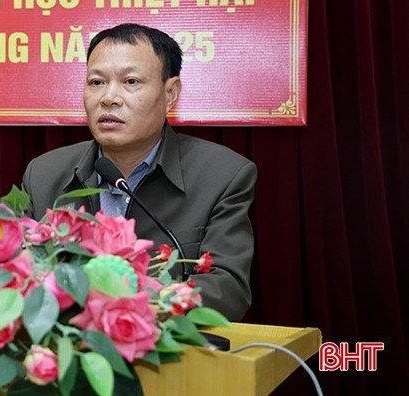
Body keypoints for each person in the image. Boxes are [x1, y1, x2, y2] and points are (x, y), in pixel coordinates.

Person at [22, 23, 256, 321]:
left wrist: (127, 307)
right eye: (97, 82)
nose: (109, 97)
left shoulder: (222, 175)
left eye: (130, 81)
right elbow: (18, 269)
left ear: (170, 93)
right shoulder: (44, 174)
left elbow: (228, 289)